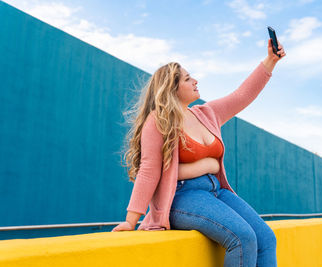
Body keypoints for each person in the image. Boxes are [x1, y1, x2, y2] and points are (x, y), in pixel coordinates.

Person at [112, 39, 286, 267]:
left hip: (217, 191)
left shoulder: (207, 113)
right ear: (172, 88)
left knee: (265, 238)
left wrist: (271, 60)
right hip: (183, 196)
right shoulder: (159, 121)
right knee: (243, 238)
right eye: (187, 79)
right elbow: (148, 170)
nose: (195, 81)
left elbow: (243, 95)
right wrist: (130, 220)